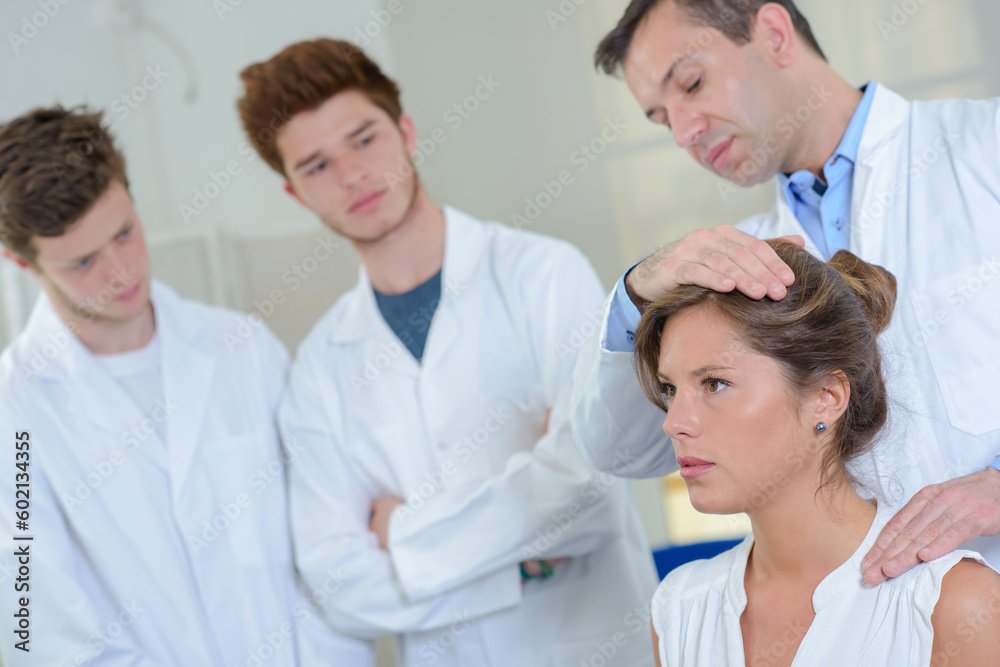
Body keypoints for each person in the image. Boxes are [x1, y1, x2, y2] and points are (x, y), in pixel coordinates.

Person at [236, 38, 659, 666]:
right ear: (296, 194)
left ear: (405, 131)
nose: (352, 175)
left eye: (363, 138)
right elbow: (338, 584)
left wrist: (398, 533)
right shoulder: (320, 366)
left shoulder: (541, 275)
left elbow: (588, 490)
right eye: (316, 166)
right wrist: (520, 565)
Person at [573, 0, 1000, 581]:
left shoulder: (983, 148)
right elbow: (623, 448)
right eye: (660, 118)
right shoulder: (743, 267)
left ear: (773, 34)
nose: (682, 132)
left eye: (692, 84)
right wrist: (635, 292)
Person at [0, 107, 372, 665]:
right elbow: (39, 631)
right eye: (82, 262)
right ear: (20, 262)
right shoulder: (14, 415)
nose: (121, 272)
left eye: (125, 233)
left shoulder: (243, 350)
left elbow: (323, 550)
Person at [634, 239, 1000, 666]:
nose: (674, 422)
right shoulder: (679, 608)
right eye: (670, 389)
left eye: (714, 383)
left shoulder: (954, 605)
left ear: (827, 397)